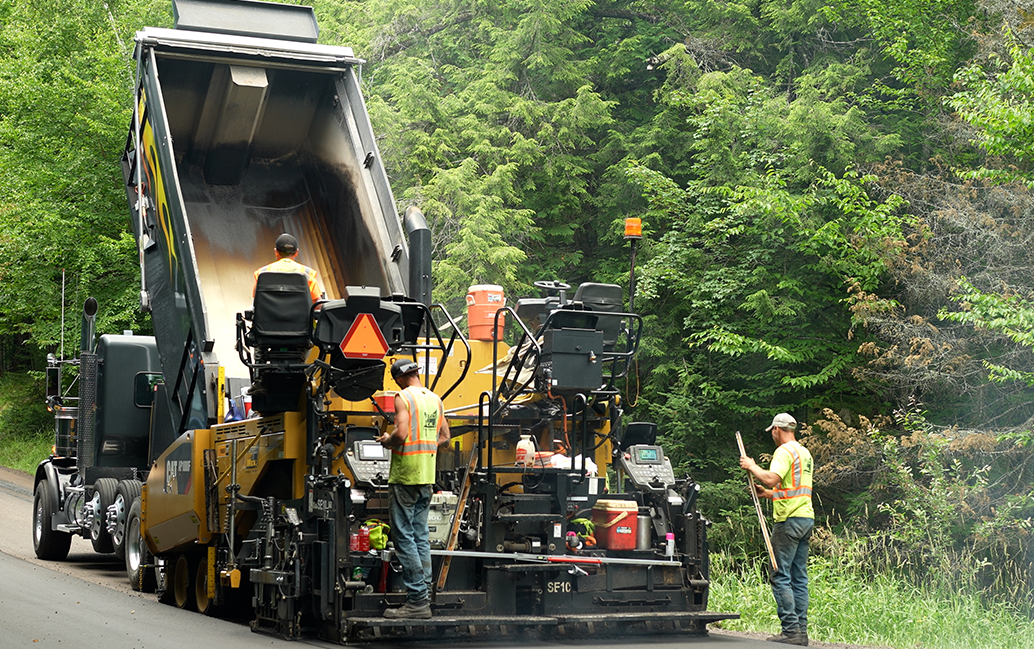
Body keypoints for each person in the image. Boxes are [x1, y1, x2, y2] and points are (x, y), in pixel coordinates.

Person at [375, 359, 451, 619]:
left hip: (406, 475)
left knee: (404, 536)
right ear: (417, 373)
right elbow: (445, 437)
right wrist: (427, 447)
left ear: (399, 378)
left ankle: (417, 600)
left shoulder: (403, 397)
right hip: (427, 476)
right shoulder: (435, 399)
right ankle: (423, 597)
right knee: (420, 536)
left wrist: (388, 441)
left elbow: (402, 433)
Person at [739, 413, 815, 647]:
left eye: (772, 431)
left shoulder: (783, 451)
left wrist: (752, 466)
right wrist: (768, 494)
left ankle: (791, 630)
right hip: (805, 519)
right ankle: (801, 631)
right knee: (799, 577)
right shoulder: (804, 452)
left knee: (780, 574)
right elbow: (794, 490)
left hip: (788, 520)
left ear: (776, 429)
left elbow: (771, 478)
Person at [253, 233, 323, 303]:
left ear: (276, 252)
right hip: (298, 310)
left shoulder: (261, 272)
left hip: (269, 310)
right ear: (296, 252)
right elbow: (317, 302)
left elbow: (256, 299)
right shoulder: (308, 273)